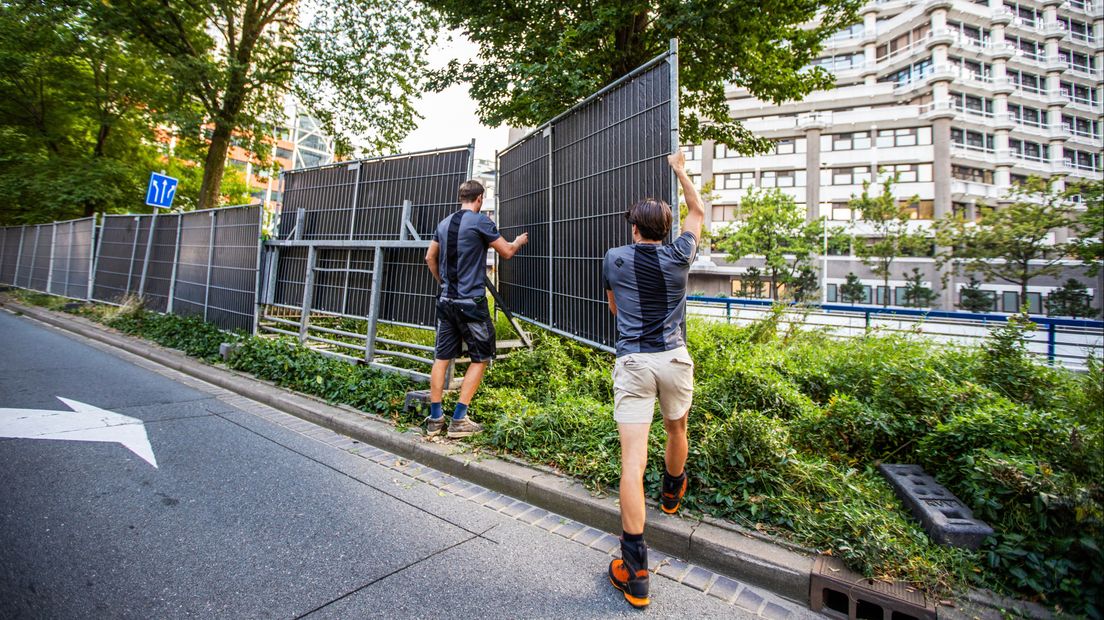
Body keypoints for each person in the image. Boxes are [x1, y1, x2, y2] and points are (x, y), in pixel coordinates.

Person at [602, 150, 704, 609]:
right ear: (667, 230)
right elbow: (698, 212)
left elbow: (614, 309)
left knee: (631, 462)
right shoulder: (681, 254)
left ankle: (636, 571)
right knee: (677, 427)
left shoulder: (615, 258)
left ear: (635, 228)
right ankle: (671, 493)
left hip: (635, 363)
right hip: (675, 358)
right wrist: (680, 171)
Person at [423, 180, 528, 438]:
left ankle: (435, 419)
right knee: (481, 357)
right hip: (471, 304)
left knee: (441, 357)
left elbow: (429, 258)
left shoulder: (443, 223)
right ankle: (459, 420)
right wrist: (518, 241)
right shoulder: (480, 221)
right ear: (479, 198)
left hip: (446, 301)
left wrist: (443, 283)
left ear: (462, 197)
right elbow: (505, 252)